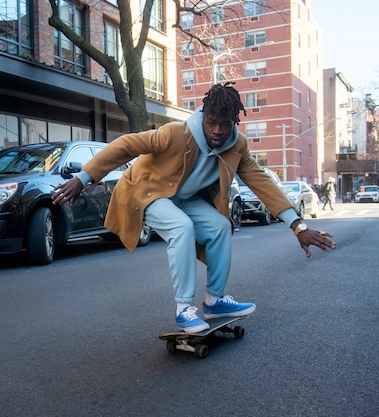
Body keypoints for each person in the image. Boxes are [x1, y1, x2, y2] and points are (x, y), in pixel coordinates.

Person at [51, 82, 335, 334]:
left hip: (184, 199)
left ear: (234, 122)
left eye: (225, 124)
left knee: (221, 226)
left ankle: (214, 301)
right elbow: (127, 144)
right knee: (181, 227)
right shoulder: (176, 134)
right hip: (147, 192)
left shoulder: (238, 146)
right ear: (204, 116)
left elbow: (261, 181)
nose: (217, 130)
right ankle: (183, 309)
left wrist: (298, 226)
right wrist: (83, 178)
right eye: (212, 122)